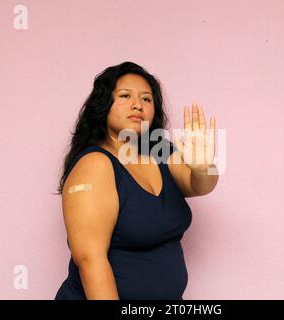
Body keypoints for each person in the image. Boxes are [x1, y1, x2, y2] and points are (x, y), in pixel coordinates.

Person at [54, 61, 218, 300]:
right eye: (124, 95)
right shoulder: (95, 165)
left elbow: (199, 185)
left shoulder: (159, 150)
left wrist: (205, 167)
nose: (137, 105)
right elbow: (91, 261)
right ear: (103, 105)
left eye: (147, 99)